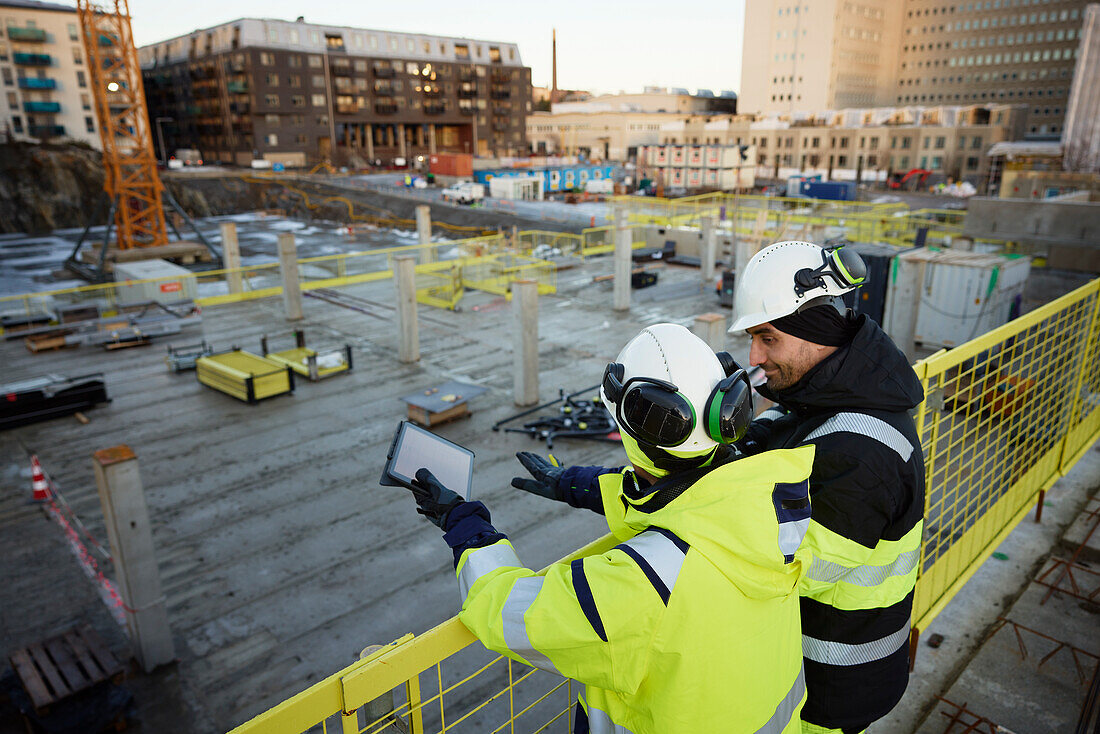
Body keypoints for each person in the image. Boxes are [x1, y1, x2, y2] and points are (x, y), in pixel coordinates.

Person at [525, 243, 925, 734]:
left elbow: (761, 556)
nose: (755, 358)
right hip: (800, 666)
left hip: (832, 687)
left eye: (767, 338)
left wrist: (624, 488)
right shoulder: (814, 402)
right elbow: (724, 487)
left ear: (815, 330)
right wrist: (598, 487)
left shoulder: (864, 454)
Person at [403, 324, 815, 734]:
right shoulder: (772, 511)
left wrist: (466, 526)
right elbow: (684, 504)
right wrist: (577, 485)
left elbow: (505, 610)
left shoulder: (646, 584)